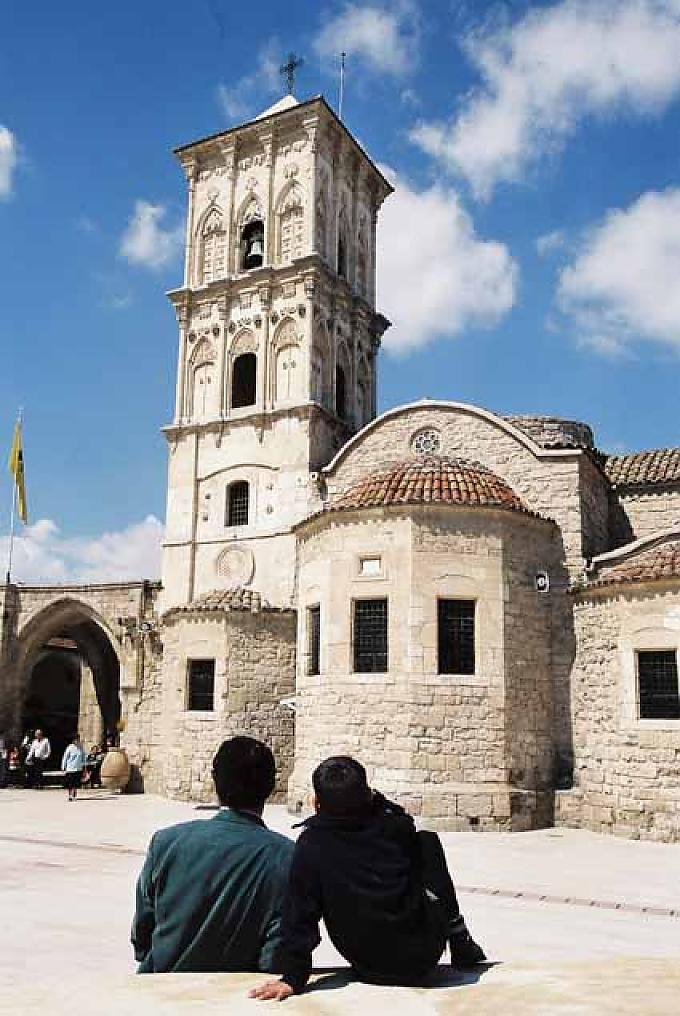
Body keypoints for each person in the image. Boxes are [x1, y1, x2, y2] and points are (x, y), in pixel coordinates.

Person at [251, 756, 486, 1001]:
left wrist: (293, 977)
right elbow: (399, 817)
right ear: (367, 794)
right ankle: (460, 939)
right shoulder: (396, 827)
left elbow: (301, 914)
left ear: (316, 802)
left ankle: (459, 938)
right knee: (427, 843)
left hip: (367, 961)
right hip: (423, 955)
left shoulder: (313, 845)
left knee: (424, 844)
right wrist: (375, 800)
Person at [131, 735, 294, 973]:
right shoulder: (286, 855)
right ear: (270, 786)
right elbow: (279, 946)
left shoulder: (166, 843)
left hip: (162, 987)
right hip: (236, 996)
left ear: (215, 781)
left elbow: (143, 929)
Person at [61, 734, 87, 801]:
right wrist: (63, 766)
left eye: (78, 739)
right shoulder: (69, 747)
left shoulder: (81, 748)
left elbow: (83, 758)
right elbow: (65, 757)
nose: (77, 741)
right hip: (70, 768)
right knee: (70, 783)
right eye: (76, 739)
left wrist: (84, 767)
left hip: (78, 768)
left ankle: (74, 795)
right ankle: (70, 795)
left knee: (76, 783)